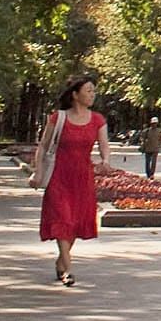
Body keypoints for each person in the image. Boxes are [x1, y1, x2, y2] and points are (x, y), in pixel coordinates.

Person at [30, 74, 116, 286]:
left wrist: (106, 160)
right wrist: (38, 172)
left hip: (82, 178)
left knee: (75, 224)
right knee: (63, 219)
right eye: (88, 90)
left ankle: (61, 260)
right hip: (59, 176)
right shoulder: (58, 118)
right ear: (75, 95)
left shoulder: (97, 120)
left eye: (93, 91)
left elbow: (104, 145)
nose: (92, 94)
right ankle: (68, 269)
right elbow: (43, 145)